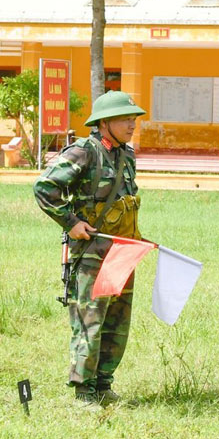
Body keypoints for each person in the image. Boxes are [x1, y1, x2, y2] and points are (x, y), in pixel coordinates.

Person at [33, 90, 148, 407]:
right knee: (90, 321)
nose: (131, 124)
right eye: (125, 118)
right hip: (93, 252)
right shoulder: (85, 151)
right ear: (105, 122)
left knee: (116, 322)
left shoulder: (126, 155)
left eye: (133, 118)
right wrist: (70, 222)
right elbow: (45, 188)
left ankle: (103, 384)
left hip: (123, 249)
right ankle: (85, 391)